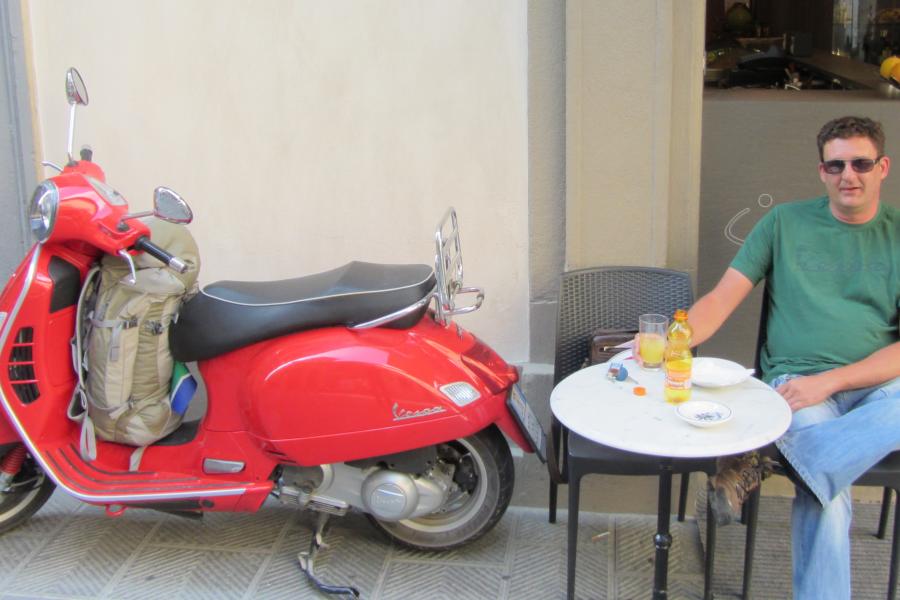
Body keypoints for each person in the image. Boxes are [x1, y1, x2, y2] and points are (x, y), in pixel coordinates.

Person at [690, 115, 900, 599]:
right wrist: (672, 341)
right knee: (827, 497)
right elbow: (722, 299)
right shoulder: (784, 222)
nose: (849, 175)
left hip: (880, 388)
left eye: (861, 163)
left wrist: (835, 381)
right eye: (836, 165)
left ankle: (768, 455)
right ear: (821, 171)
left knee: (815, 478)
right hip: (799, 385)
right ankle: (796, 457)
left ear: (882, 167)